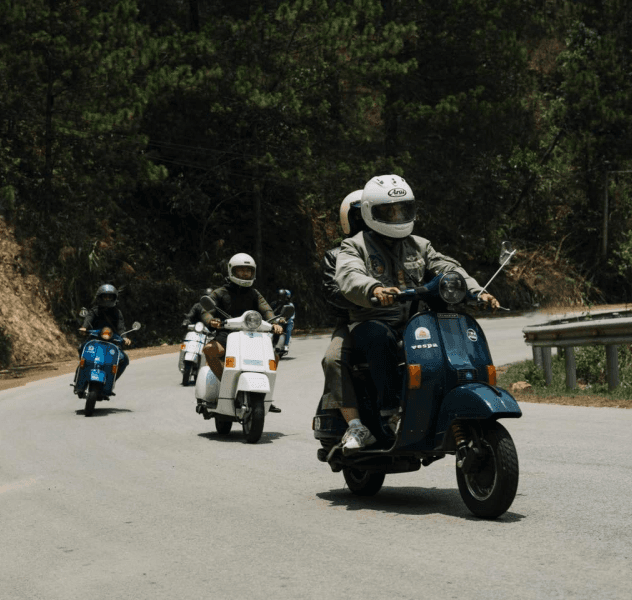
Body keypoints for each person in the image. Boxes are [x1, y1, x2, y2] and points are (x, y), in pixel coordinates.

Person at [335, 174, 499, 447]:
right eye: (389, 211)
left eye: (403, 210)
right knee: (379, 337)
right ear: (369, 213)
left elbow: (450, 269)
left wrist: (477, 292)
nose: (397, 216)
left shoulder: (420, 245)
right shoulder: (355, 245)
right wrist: (374, 289)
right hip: (372, 321)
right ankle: (390, 412)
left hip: (415, 322)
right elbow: (349, 275)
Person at [320, 190, 375, 453]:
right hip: (352, 323)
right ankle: (354, 424)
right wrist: (372, 298)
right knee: (333, 359)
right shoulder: (336, 254)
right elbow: (333, 293)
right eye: (362, 215)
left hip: (402, 320)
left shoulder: (399, 248)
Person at [201, 253, 284, 413]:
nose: (245, 274)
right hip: (227, 334)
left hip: (253, 335)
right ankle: (225, 382)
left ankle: (263, 395)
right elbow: (205, 309)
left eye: (248, 270)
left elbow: (266, 309)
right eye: (241, 270)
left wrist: (274, 322)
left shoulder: (254, 293)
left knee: (274, 357)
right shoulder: (220, 292)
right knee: (209, 350)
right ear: (232, 271)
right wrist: (211, 320)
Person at [77, 284, 131, 385]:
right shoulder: (94, 310)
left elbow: (120, 327)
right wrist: (84, 328)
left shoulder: (117, 312)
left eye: (110, 297)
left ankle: (111, 381)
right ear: (100, 297)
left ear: (114, 298)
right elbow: (88, 318)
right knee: (81, 348)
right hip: (94, 337)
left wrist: (124, 337)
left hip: (113, 340)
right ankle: (81, 372)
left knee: (124, 359)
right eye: (105, 296)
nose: (107, 299)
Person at [270, 289, 295, 355]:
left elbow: (292, 315)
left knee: (289, 327)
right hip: (275, 320)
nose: (281, 299)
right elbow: (269, 312)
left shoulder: (290, 305)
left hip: (287, 320)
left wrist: (285, 319)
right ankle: (272, 344)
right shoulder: (274, 304)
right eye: (279, 296)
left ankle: (286, 345)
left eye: (282, 297)